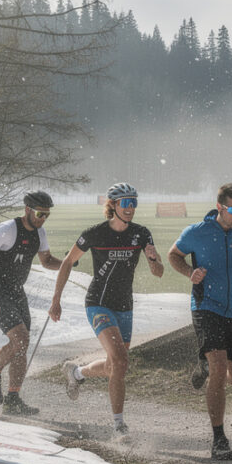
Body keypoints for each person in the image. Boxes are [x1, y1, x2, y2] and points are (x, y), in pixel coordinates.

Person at [50, 183, 163, 437]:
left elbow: (158, 273)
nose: (131, 208)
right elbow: (68, 262)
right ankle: (119, 426)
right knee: (122, 360)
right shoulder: (95, 233)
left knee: (116, 365)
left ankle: (76, 372)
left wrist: (154, 259)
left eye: (134, 202)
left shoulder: (142, 234)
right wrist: (56, 299)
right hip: (98, 303)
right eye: (126, 203)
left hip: (125, 305)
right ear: (112, 205)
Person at [168, 183, 232, 460]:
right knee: (219, 367)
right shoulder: (197, 232)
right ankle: (219, 439)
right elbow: (173, 255)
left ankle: (205, 368)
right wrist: (190, 272)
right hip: (205, 307)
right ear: (221, 207)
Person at [0, 191, 63, 416]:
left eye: (47, 215)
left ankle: (12, 399)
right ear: (28, 209)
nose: (43, 219)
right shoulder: (7, 229)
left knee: (23, 346)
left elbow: (47, 261)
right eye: (40, 214)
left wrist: (68, 263)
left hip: (16, 293)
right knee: (20, 339)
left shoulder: (40, 233)